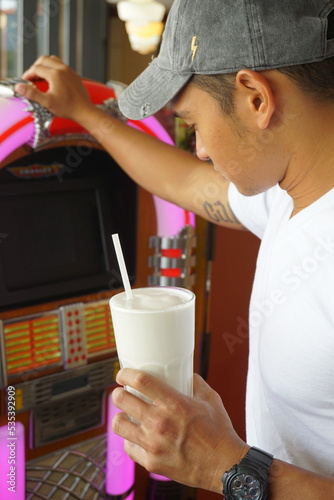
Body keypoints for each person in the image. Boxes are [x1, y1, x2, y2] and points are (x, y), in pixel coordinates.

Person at [14, 0, 334, 497]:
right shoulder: (291, 192)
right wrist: (83, 115)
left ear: (255, 97)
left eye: (193, 124)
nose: (200, 148)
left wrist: (222, 465)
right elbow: (189, 182)